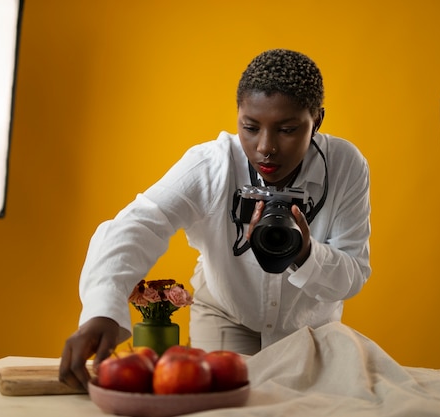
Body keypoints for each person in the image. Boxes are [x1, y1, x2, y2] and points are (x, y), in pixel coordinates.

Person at [59, 49, 371, 390]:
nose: (265, 147)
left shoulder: (345, 167)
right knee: (220, 407)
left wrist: (304, 254)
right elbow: (139, 225)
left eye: (287, 129)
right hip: (225, 314)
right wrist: (101, 308)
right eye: (250, 127)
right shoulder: (210, 165)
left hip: (309, 328)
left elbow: (353, 275)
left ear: (318, 121)